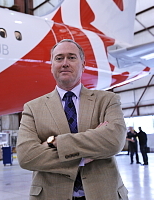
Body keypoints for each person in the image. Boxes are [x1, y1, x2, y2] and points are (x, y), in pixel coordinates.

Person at [16, 39, 128, 200]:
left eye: (72, 57)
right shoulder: (33, 108)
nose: (65, 63)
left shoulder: (107, 100)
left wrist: (55, 142)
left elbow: (114, 141)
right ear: (52, 66)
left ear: (83, 64)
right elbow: (27, 156)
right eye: (59, 58)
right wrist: (82, 158)